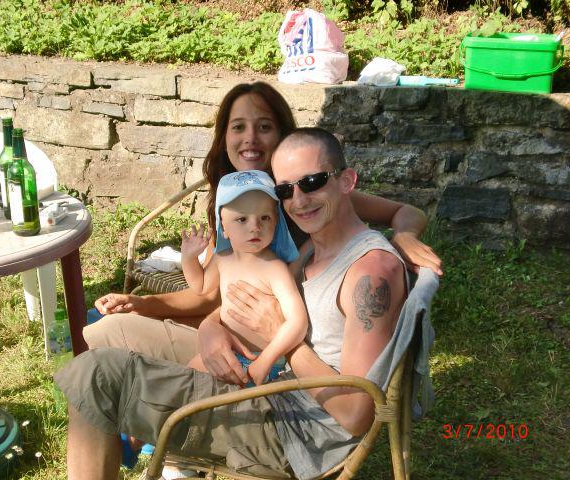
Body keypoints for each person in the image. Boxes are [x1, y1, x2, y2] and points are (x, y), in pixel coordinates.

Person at [55, 127, 409, 479]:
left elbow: (355, 412)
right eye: (285, 190)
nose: (298, 200)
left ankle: (143, 444)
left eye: (312, 182)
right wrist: (211, 327)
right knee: (107, 332)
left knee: (97, 375)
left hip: (294, 429)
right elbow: (239, 296)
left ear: (347, 181)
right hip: (262, 375)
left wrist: (279, 337)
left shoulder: (372, 272)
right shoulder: (312, 250)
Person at [84, 82, 442, 381]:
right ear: (225, 136)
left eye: (265, 127)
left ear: (284, 137)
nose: (250, 139)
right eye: (238, 127)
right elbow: (211, 292)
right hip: (238, 325)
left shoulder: (313, 194)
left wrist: (404, 236)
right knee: (103, 325)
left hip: (275, 346)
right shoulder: (235, 201)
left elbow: (406, 212)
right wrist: (148, 306)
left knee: (110, 340)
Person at [181, 170, 306, 386]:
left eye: (264, 218)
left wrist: (266, 361)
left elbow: (298, 322)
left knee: (193, 386)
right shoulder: (222, 259)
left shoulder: (274, 268)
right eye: (242, 219)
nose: (254, 227)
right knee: (186, 378)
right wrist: (188, 258)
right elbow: (200, 286)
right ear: (223, 226)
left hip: (264, 360)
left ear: (276, 222)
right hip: (226, 350)